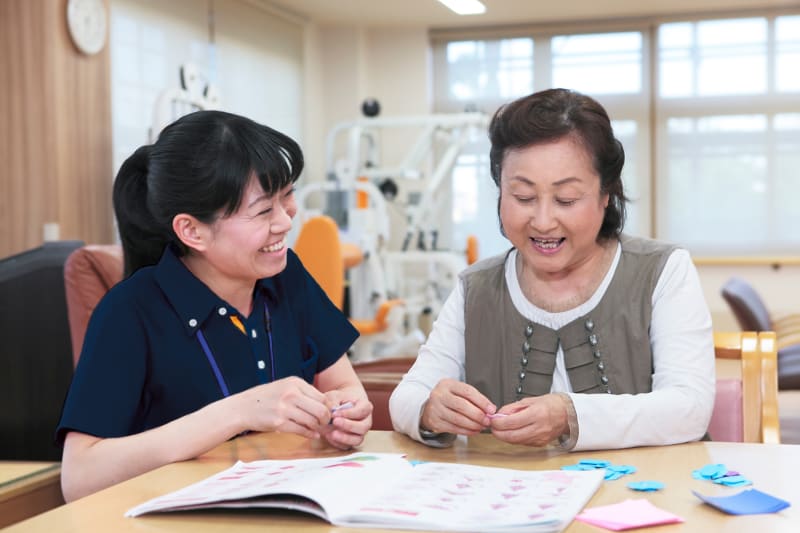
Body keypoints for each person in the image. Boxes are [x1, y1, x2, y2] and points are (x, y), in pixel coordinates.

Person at [57, 110, 372, 502]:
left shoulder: (288, 279)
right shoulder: (129, 312)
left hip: (291, 506)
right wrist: (240, 411)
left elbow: (343, 385)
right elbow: (79, 477)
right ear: (192, 231)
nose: (286, 222)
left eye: (287, 197)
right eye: (263, 210)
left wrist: (347, 414)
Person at [389, 88, 715, 451]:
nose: (543, 221)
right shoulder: (476, 288)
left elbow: (690, 406)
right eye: (523, 197)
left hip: (640, 500)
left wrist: (570, 413)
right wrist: (429, 410)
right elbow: (407, 396)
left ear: (606, 195)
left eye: (566, 199)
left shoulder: (662, 271)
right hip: (512, 501)